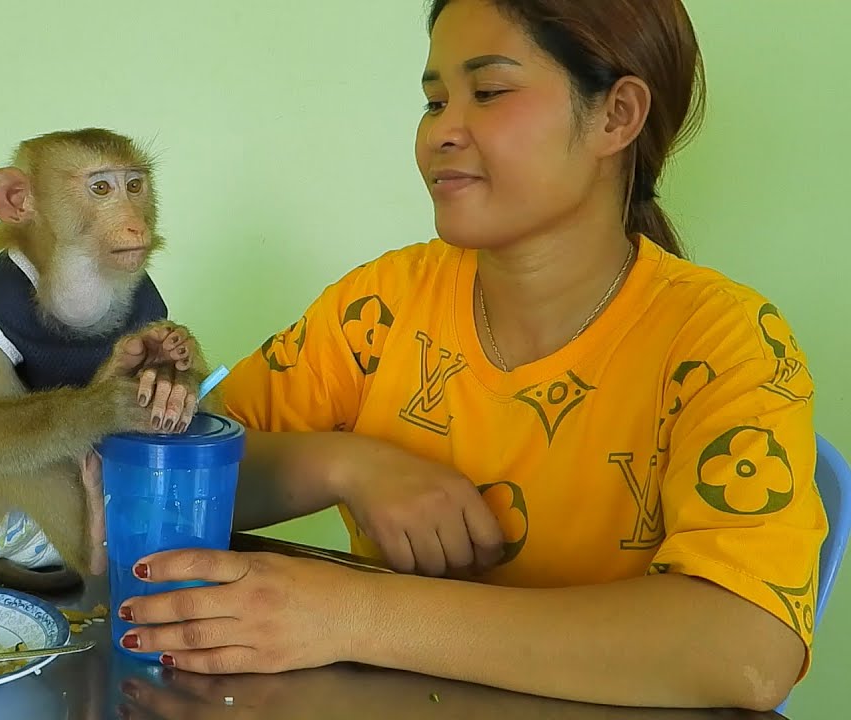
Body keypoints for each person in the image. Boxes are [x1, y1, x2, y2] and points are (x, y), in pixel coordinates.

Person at [107, 0, 827, 711]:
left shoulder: (722, 339)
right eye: (433, 100)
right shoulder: (383, 305)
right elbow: (171, 476)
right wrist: (344, 464)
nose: (441, 133)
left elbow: (748, 646)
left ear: (616, 116)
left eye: (489, 92)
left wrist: (358, 615)